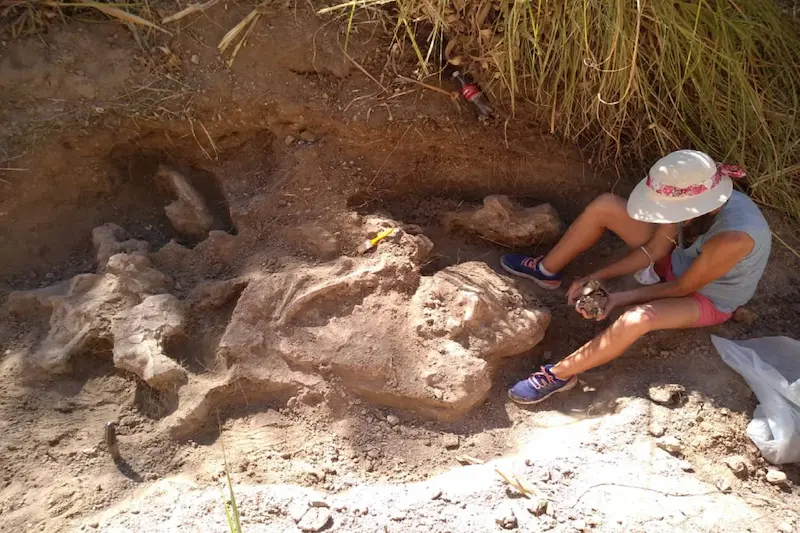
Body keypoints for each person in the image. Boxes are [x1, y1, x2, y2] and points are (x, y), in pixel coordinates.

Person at [499, 150, 772, 404]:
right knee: (605, 206)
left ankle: (560, 374)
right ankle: (546, 270)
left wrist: (618, 299)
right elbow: (654, 250)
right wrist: (596, 277)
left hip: (705, 297)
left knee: (637, 319)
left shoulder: (733, 237)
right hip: (676, 261)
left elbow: (683, 287)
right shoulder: (688, 197)